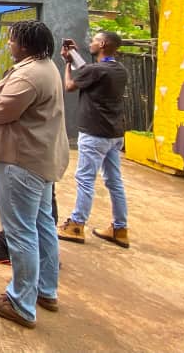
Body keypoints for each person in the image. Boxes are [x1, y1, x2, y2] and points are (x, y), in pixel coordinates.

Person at [0, 20, 68, 329]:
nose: (9, 45)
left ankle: (21, 303)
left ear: (24, 45)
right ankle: (46, 291)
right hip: (40, 159)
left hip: (21, 161)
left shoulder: (28, 75)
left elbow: (3, 108)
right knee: (42, 225)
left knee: (21, 231)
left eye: (12, 40)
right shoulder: (47, 67)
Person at [58, 32, 131, 248]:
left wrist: (67, 64)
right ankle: (120, 229)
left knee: (85, 179)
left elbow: (70, 85)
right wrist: (74, 56)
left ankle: (76, 225)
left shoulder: (96, 70)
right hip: (115, 134)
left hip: (94, 133)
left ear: (103, 44)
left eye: (94, 40)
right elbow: (89, 72)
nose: (91, 43)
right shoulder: (119, 70)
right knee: (114, 181)